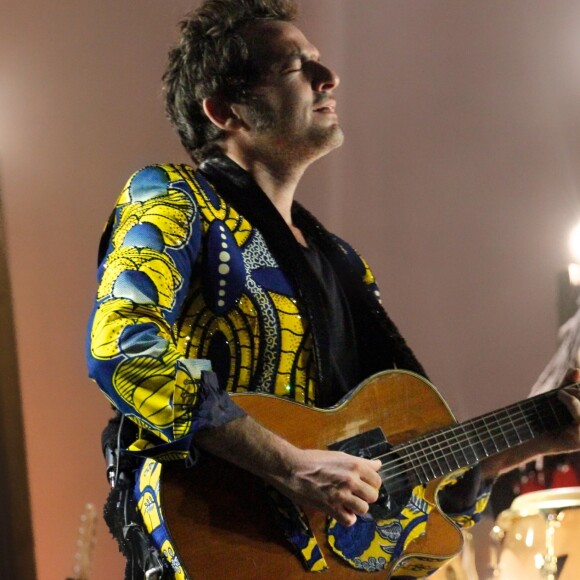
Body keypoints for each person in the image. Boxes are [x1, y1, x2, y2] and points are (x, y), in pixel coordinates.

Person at [87, 0, 580, 577]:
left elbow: (398, 492)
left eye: (319, 61)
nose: (330, 78)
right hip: (207, 543)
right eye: (297, 67)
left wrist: (518, 445)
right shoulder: (173, 197)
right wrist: (289, 465)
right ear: (225, 111)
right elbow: (123, 346)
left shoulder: (342, 261)